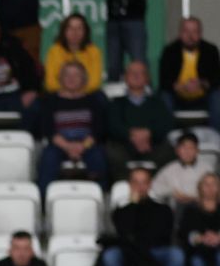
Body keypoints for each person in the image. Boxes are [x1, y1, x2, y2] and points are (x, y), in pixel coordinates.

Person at [103, 167, 185, 266]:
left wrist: (139, 240)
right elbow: (124, 232)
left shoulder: (163, 209)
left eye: (144, 182)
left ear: (149, 184)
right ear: (130, 185)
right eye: (136, 182)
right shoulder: (121, 211)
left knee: (176, 255)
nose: (140, 187)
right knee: (110, 256)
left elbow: (163, 235)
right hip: (129, 251)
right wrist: (133, 204)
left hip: (154, 249)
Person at [37, 62, 108, 194]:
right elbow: (48, 130)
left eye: (76, 75)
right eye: (67, 75)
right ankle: (44, 199)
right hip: (60, 143)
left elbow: (98, 130)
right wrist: (68, 146)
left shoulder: (94, 100)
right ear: (60, 78)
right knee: (48, 158)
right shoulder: (50, 100)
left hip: (87, 143)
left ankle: (99, 196)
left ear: (84, 79)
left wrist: (82, 146)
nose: (71, 78)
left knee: (98, 157)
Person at [107, 60, 176, 180]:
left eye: (141, 73)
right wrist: (132, 135)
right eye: (132, 72)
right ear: (125, 78)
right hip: (124, 146)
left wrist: (148, 133)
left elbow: (166, 124)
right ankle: (125, 187)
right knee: (111, 151)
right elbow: (113, 126)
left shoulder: (158, 102)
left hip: (152, 146)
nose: (136, 76)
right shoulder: (115, 103)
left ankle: (156, 187)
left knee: (169, 151)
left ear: (147, 78)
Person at [160, 17, 220, 130]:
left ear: (200, 34)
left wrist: (201, 83)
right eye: (186, 31)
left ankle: (216, 136)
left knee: (217, 96)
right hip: (177, 96)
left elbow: (216, 79)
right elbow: (164, 81)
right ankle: (168, 136)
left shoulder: (211, 50)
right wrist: (179, 86)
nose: (190, 36)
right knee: (164, 97)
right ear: (180, 33)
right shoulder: (169, 51)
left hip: (203, 96)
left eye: (194, 31)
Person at [44, 14, 104, 95]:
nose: (75, 32)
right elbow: (50, 82)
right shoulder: (54, 51)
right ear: (64, 31)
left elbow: (95, 82)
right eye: (70, 28)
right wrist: (66, 93)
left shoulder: (94, 51)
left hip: (86, 94)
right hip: (60, 94)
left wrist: (79, 93)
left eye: (79, 28)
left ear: (85, 32)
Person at [153, 132, 216, 206]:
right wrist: (172, 192)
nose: (187, 151)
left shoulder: (207, 169)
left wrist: (195, 198)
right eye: (184, 148)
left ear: (197, 150)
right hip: (176, 209)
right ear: (177, 150)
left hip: (201, 208)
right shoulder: (169, 169)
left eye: (191, 148)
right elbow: (154, 188)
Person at [182, 172, 220, 266]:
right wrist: (199, 238)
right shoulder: (190, 209)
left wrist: (218, 237)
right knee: (196, 263)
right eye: (206, 184)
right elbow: (184, 232)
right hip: (198, 250)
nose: (210, 187)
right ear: (200, 187)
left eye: (213, 184)